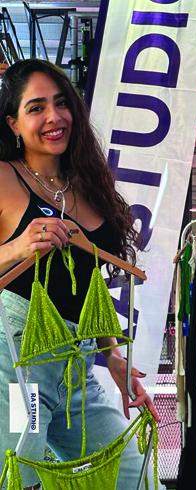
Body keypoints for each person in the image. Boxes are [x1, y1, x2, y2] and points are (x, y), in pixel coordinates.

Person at [0, 59, 159, 489]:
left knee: (135, 478)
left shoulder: (86, 183)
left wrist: (113, 357)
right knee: (19, 478)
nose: (54, 117)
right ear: (13, 123)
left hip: (76, 365)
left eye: (61, 103)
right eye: (36, 108)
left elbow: (87, 280)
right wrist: (18, 247)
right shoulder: (4, 178)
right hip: (21, 371)